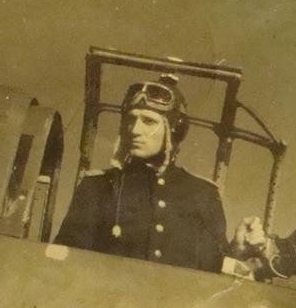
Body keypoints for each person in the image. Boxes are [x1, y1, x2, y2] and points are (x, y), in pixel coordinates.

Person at [55, 74, 242, 273]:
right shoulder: (97, 187)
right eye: (131, 120)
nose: (135, 130)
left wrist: (238, 249)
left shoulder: (203, 195)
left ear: (173, 129)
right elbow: (66, 262)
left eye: (149, 121)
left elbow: (213, 273)